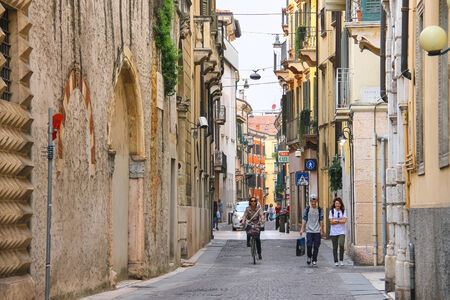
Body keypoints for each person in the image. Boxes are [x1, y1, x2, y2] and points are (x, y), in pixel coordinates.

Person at [299, 194, 324, 266]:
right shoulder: (307, 209)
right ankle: (309, 256)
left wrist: (321, 230)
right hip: (309, 230)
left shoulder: (319, 209)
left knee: (316, 246)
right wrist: (301, 229)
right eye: (312, 201)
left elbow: (321, 220)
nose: (313, 203)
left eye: (314, 201)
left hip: (317, 230)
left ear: (316, 201)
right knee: (309, 245)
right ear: (310, 201)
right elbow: (304, 219)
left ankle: (314, 259)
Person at [329, 197, 347, 266]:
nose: (337, 205)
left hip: (342, 231)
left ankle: (341, 259)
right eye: (336, 203)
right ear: (334, 204)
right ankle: (336, 261)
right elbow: (331, 221)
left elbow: (344, 221)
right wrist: (340, 221)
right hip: (334, 232)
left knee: (341, 245)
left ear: (341, 204)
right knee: (335, 247)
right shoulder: (332, 211)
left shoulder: (343, 211)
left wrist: (336, 221)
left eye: (339, 203)